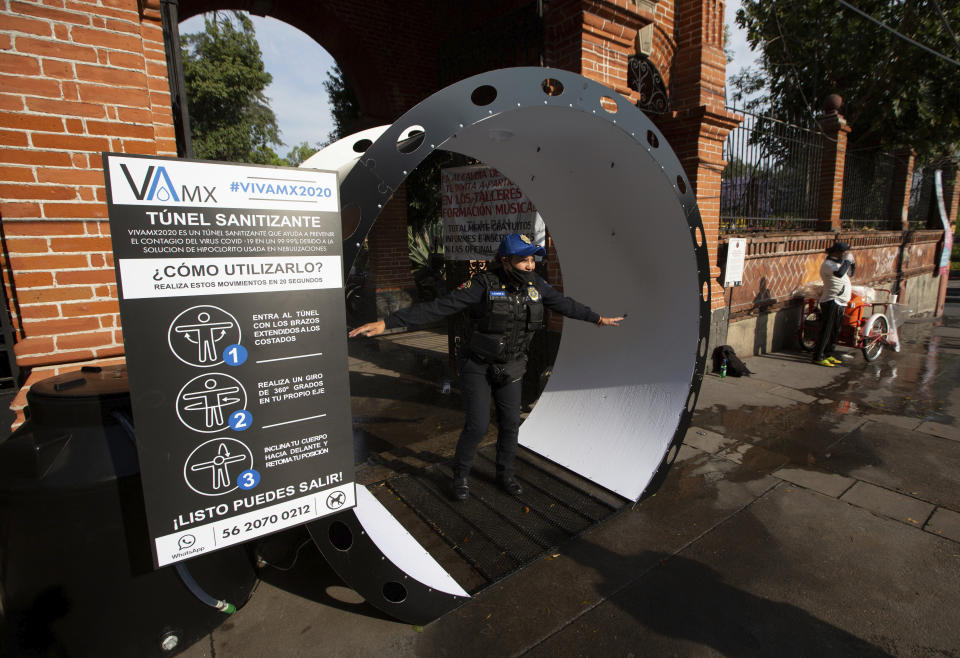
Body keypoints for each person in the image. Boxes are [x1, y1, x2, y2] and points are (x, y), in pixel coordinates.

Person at [349, 233, 623, 500]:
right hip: (478, 365)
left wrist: (596, 318)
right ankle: (461, 476)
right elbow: (440, 307)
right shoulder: (482, 284)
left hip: (512, 366)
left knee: (510, 425)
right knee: (478, 426)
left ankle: (505, 475)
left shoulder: (535, 285)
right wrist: (389, 322)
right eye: (523, 260)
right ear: (505, 260)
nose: (530, 266)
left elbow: (564, 304)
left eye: (532, 260)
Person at [812, 241, 855, 367]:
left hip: (840, 302)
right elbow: (840, 273)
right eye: (844, 252)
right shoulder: (828, 264)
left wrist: (852, 263)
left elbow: (850, 273)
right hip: (831, 301)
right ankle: (818, 356)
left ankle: (828, 354)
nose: (845, 254)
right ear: (836, 252)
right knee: (827, 330)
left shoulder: (838, 263)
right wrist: (847, 261)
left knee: (835, 330)